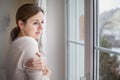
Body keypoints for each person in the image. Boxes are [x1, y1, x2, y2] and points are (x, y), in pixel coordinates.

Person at [6, 3, 51, 80]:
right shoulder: (29, 42)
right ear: (21, 24)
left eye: (42, 22)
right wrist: (48, 73)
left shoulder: (16, 42)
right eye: (35, 23)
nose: (41, 28)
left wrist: (44, 67)